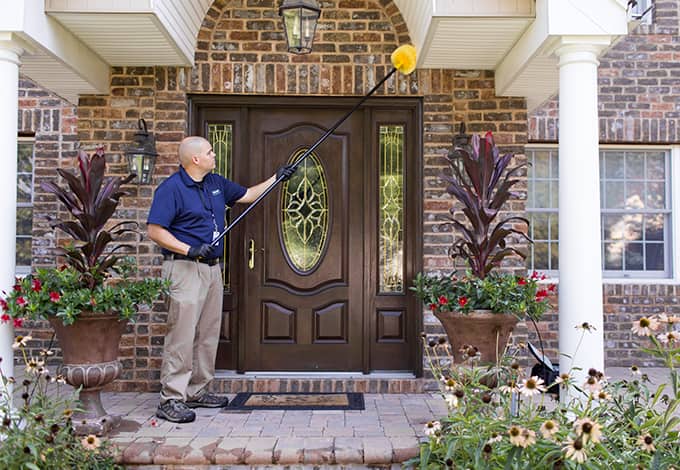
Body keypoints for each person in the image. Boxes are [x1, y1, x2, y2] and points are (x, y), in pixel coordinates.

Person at [147, 136, 295, 423]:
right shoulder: (172, 189)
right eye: (210, 152)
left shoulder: (216, 183)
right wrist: (189, 248)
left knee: (208, 333)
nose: (214, 155)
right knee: (182, 334)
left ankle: (198, 391)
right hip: (184, 269)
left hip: (212, 269)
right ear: (195, 159)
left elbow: (248, 195)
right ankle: (171, 399)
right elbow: (155, 230)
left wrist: (277, 178)